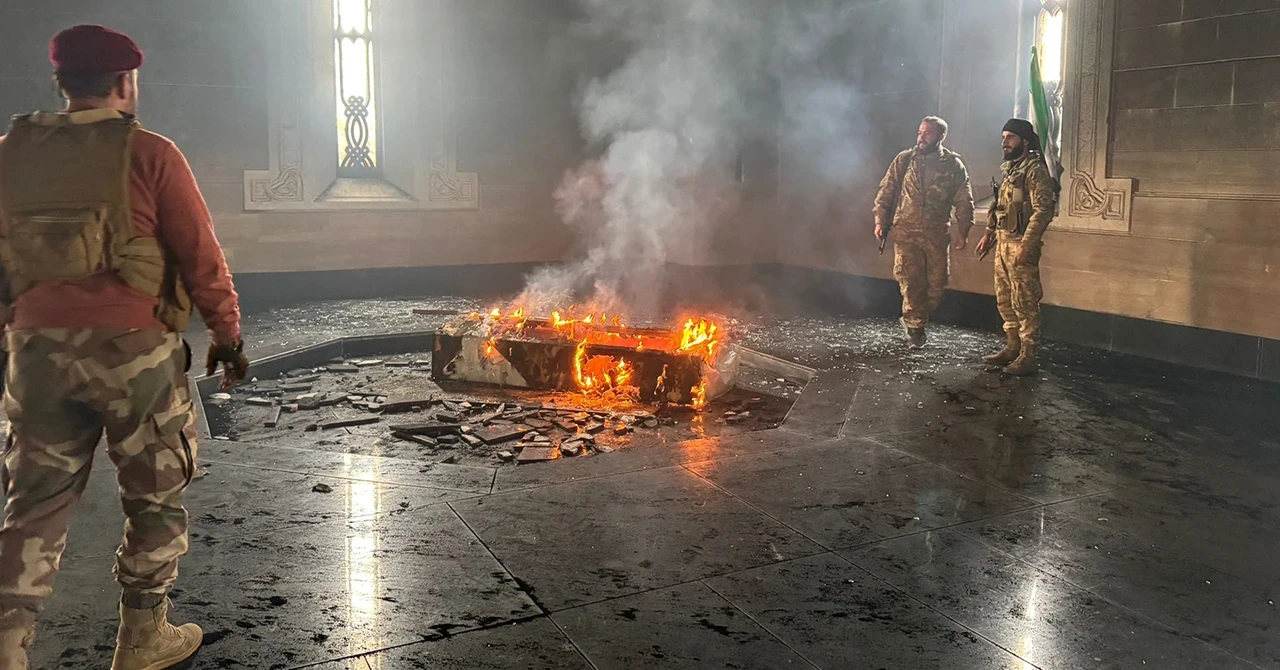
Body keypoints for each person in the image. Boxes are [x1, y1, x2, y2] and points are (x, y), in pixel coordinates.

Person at [0, 24, 249, 670]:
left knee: (33, 504)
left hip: (37, 356)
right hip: (136, 355)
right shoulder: (152, 154)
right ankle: (143, 638)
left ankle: (7, 645)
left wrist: (21, 333)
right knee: (155, 492)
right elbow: (201, 257)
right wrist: (227, 335)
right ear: (126, 83)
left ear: (60, 84)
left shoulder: (8, 154)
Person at [873, 116, 976, 349]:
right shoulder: (905, 160)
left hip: (936, 233)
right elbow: (887, 190)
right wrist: (880, 220)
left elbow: (963, 200)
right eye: (920, 132)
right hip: (906, 231)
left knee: (937, 283)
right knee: (909, 280)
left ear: (941, 136)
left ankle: (918, 315)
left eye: (927, 133)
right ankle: (915, 327)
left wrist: (964, 231)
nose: (921, 137)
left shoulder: (953, 165)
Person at [975, 118, 1056, 376]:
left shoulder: (1035, 170)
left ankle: (1028, 355)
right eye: (1003, 137)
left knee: (1025, 300)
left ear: (1025, 140)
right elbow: (999, 204)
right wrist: (989, 233)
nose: (1005, 142)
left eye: (1010, 137)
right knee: (1005, 298)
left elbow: (1043, 210)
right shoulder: (1010, 169)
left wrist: (1027, 244)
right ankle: (1012, 347)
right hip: (1003, 242)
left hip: (1021, 244)